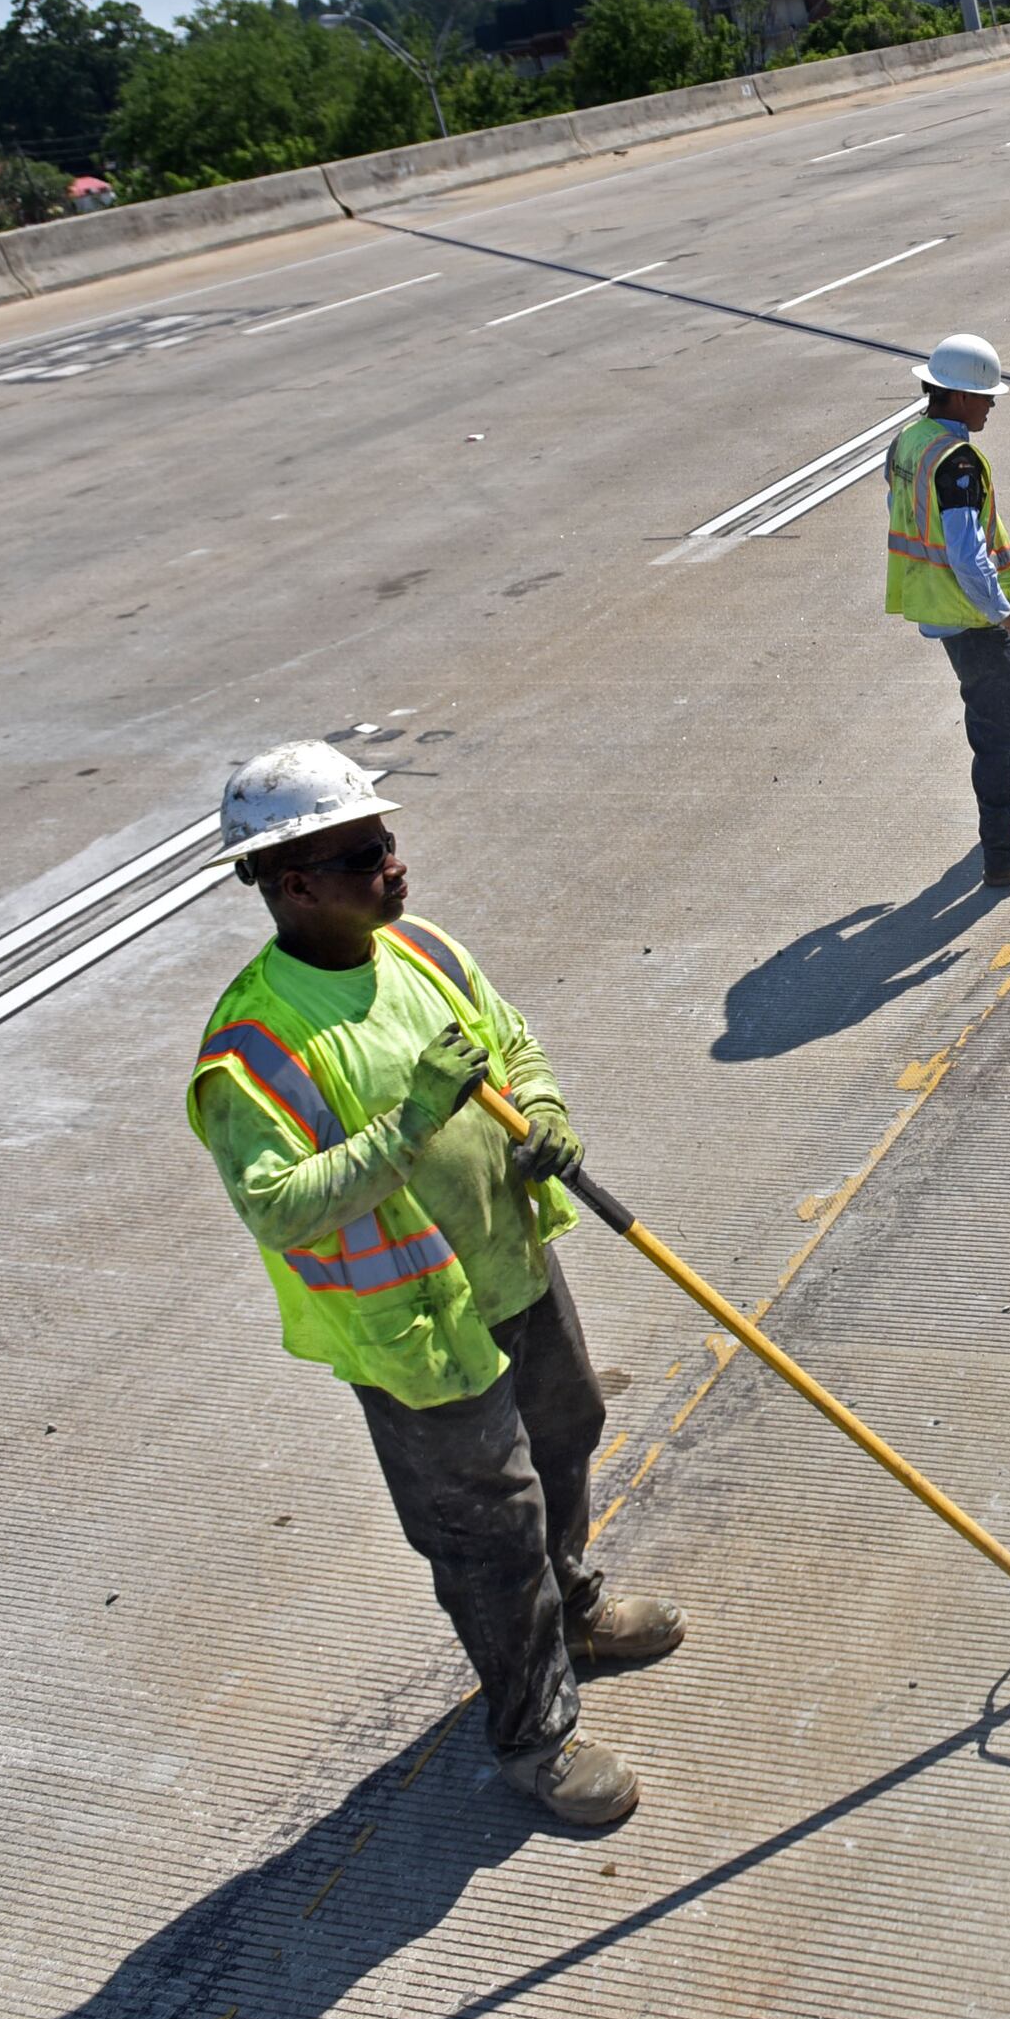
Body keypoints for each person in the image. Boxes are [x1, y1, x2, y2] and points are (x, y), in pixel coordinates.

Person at [186, 741, 684, 1828]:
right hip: (414, 1330)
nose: (394, 864)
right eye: (364, 852)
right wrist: (410, 1122)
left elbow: (514, 1044)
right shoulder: (251, 1049)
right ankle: (532, 1732)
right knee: (486, 1534)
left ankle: (577, 1607)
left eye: (389, 839)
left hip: (511, 1265)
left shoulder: (418, 949)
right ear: (292, 883)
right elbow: (280, 1203)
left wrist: (545, 1110)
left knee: (568, 1433)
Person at [887, 332, 1010, 890]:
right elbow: (966, 553)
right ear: (956, 397)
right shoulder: (957, 462)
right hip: (972, 617)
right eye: (985, 396)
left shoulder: (910, 440)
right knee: (1001, 736)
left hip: (943, 609)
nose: (991, 405)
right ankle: (1006, 856)